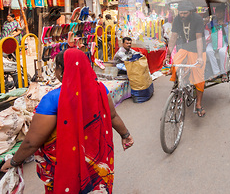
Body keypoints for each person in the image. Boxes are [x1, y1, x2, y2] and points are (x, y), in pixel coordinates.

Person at [0, 48, 134, 192]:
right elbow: (112, 116)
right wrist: (125, 135)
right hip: (95, 160)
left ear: (61, 70)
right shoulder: (101, 89)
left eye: (55, 68)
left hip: (66, 165)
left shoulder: (52, 100)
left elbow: (31, 142)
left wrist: (14, 162)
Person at [168, 2, 206, 117]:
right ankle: (178, 88)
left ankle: (198, 104)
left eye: (185, 13)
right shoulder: (177, 20)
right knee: (175, 65)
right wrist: (167, 55)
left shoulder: (198, 19)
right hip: (184, 48)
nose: (183, 15)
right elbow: (173, 37)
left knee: (199, 78)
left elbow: (199, 39)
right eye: (181, 13)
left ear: (191, 12)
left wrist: (199, 57)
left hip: (198, 50)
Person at [206, 4, 230, 77]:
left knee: (222, 52)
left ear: (224, 13)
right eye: (217, 12)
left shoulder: (229, 22)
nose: (219, 14)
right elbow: (206, 27)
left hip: (224, 41)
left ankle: (223, 72)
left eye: (221, 12)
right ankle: (216, 71)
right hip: (213, 42)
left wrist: (225, 26)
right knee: (208, 50)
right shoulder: (213, 22)